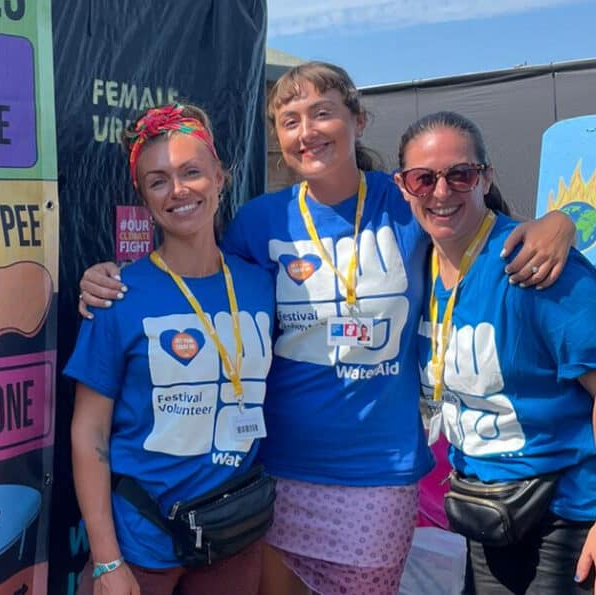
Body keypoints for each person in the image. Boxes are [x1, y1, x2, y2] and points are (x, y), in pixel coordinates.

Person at [78, 62, 578, 595]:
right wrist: (103, 278)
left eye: (322, 113)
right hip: (274, 474)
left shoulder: (406, 200)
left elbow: (474, 221)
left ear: (358, 120)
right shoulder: (258, 223)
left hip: (377, 474)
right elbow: (194, 282)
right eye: (290, 119)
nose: (308, 131)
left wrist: (558, 222)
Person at [64, 104, 276, 595]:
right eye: (158, 180)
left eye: (192, 172)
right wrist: (105, 561)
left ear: (221, 177)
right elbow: (89, 433)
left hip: (234, 534)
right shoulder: (117, 296)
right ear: (142, 196)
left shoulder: (261, 285)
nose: (178, 190)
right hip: (144, 543)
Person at [395, 111, 596, 594]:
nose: (441, 193)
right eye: (424, 179)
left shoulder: (537, 267)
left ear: (485, 178)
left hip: (565, 516)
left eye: (459, 175)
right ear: (404, 187)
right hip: (486, 512)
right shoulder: (416, 269)